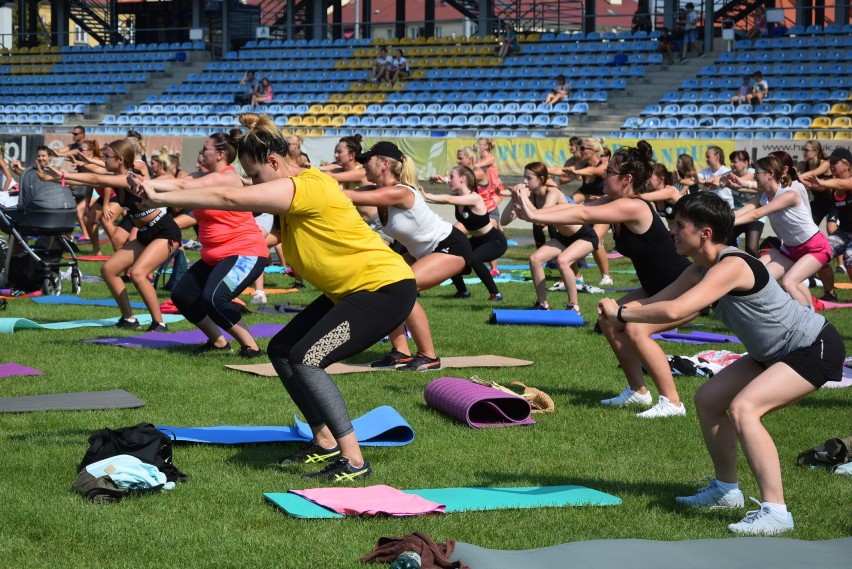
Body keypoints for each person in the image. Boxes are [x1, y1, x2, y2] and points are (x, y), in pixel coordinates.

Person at [133, 113, 417, 482]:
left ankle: (355, 461)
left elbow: (228, 195)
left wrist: (159, 194)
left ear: (273, 162)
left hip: (383, 289)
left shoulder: (307, 186)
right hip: (351, 291)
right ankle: (325, 440)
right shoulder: (294, 198)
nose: (252, 184)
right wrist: (160, 190)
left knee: (307, 358)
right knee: (283, 349)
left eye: (254, 175)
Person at [599, 191, 843, 536]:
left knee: (745, 408)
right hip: (772, 351)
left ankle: (776, 511)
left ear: (705, 233)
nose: (671, 231)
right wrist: (620, 311)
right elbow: (661, 300)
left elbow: (675, 311)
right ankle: (726, 491)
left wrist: (621, 312)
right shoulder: (701, 268)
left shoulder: (732, 266)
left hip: (812, 346)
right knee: (709, 400)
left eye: (679, 225)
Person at [514, 142, 692, 418]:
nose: (604, 175)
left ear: (627, 179)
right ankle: (638, 392)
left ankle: (673, 403)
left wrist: (535, 214)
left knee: (634, 329)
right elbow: (576, 209)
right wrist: (533, 213)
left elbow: (583, 214)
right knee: (608, 320)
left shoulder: (635, 207)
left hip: (681, 288)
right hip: (656, 287)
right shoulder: (613, 202)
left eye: (610, 171)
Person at [131, 132, 270, 357]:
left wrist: (147, 184)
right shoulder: (203, 176)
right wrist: (143, 182)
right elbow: (180, 182)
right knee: (183, 296)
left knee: (214, 298)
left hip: (245, 252)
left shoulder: (226, 177)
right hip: (215, 256)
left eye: (205, 148)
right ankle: (218, 342)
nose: (201, 152)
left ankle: (251, 347)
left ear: (221, 154)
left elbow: (185, 186)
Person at [344, 141, 472, 372]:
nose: (363, 165)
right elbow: (341, 191)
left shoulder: (400, 192)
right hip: (423, 251)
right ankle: (401, 352)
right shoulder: (377, 191)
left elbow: (349, 195)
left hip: (450, 246)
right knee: (382, 287)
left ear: (384, 164)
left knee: (403, 288)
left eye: (367, 161)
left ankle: (429, 356)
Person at [41, 139, 179, 331]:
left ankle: (159, 323)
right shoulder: (118, 175)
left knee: (138, 274)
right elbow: (90, 177)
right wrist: (56, 178)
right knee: (109, 269)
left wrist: (63, 174)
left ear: (120, 159)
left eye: (107, 157)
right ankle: (129, 319)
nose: (103, 160)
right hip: (146, 232)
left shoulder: (128, 177)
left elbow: (96, 179)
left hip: (164, 232)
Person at [728, 154, 829, 308]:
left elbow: (755, 215)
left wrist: (724, 224)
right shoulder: (762, 196)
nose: (754, 176)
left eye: (757, 172)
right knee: (760, 277)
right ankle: (804, 315)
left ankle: (809, 323)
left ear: (770, 174)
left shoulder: (789, 194)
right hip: (790, 248)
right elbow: (743, 212)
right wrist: (718, 220)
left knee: (789, 283)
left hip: (815, 247)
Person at [507, 162, 596, 313]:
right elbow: (504, 221)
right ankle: (542, 304)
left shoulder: (553, 192)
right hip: (564, 237)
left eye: (528, 178)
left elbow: (542, 218)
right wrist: (514, 198)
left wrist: (522, 197)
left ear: (541, 179)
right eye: (524, 177)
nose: (524, 182)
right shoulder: (531, 195)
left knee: (563, 261)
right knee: (535, 259)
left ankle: (573, 306)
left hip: (584, 236)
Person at [422, 165, 506, 302]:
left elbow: (448, 199)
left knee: (475, 259)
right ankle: (462, 291)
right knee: (451, 254)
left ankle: (495, 294)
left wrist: (424, 195)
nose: (449, 180)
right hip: (476, 240)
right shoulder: (459, 196)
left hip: (494, 241)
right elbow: (447, 196)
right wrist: (422, 194)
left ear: (462, 179)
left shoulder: (474, 198)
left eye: (451, 177)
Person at [800, 147, 852, 301]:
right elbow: (822, 184)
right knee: (818, 255)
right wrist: (792, 179)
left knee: (850, 258)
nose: (831, 165)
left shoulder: (845, 182)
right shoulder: (833, 185)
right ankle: (830, 293)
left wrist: (822, 182)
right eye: (831, 162)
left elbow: (841, 184)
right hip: (843, 232)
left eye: (835, 162)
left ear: (846, 165)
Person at [562, 138, 613, 286]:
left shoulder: (603, 165)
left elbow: (594, 171)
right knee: (567, 231)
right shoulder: (580, 163)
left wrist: (575, 171)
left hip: (605, 207)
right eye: (580, 148)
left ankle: (606, 276)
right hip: (589, 204)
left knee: (596, 241)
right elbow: (563, 175)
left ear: (594, 151)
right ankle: (577, 276)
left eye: (584, 148)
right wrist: (544, 172)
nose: (580, 150)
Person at [639, 163, 684, 228]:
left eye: (650, 177)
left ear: (661, 179)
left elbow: (642, 196)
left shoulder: (670, 191)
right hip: (675, 233)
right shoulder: (653, 192)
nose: (647, 180)